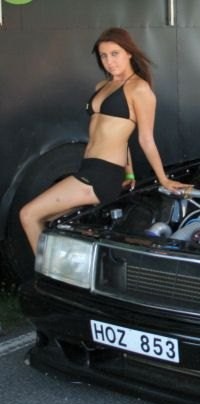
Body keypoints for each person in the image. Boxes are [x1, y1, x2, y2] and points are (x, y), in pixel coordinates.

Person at [20, 27, 189, 253]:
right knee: (50, 221)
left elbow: (145, 138)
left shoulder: (138, 88)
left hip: (102, 174)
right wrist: (129, 173)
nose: (110, 61)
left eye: (115, 54)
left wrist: (164, 179)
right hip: (88, 168)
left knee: (28, 214)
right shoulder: (102, 86)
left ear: (129, 53)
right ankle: (65, 268)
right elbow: (122, 137)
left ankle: (46, 270)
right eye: (104, 56)